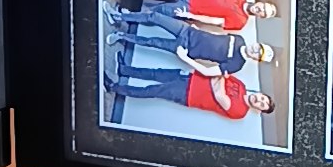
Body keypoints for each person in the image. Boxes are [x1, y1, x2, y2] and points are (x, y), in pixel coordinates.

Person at [107, 6, 274, 75]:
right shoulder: (239, 39)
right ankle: (118, 16)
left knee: (151, 42)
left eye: (258, 54)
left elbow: (208, 72)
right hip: (188, 30)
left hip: (186, 49)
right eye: (258, 47)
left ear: (256, 59)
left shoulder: (237, 65)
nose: (255, 50)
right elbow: (215, 34)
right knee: (155, 17)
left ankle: (121, 36)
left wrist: (185, 58)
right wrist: (195, 24)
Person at [107, 61, 274, 121]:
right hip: (191, 77)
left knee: (153, 90)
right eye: (263, 98)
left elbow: (219, 95)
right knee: (156, 73)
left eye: (262, 105)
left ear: (258, 109)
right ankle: (124, 69)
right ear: (260, 93)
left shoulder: (240, 112)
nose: (259, 100)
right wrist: (218, 80)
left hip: (188, 95)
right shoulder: (241, 85)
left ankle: (115, 87)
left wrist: (218, 80)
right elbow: (218, 73)